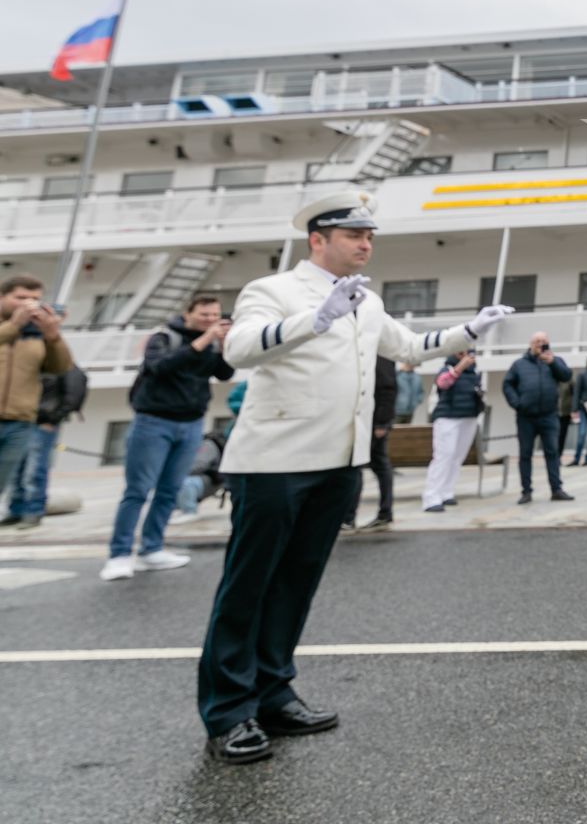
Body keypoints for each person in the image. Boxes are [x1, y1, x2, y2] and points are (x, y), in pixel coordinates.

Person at [199, 189, 513, 765]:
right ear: (317, 239)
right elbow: (240, 349)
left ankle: (273, 694)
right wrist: (311, 320)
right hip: (273, 463)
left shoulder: (365, 301)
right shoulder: (272, 290)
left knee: (296, 585)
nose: (365, 244)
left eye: (369, 235)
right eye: (353, 235)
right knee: (248, 588)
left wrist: (469, 331)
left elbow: (409, 349)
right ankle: (227, 712)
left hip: (338, 464)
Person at [101, 295, 234, 581]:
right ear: (187, 313)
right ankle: (119, 554)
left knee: (169, 489)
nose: (210, 320)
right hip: (153, 421)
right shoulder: (163, 337)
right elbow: (162, 367)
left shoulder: (211, 342)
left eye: (214, 315)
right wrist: (204, 339)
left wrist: (223, 344)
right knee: (137, 490)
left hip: (191, 423)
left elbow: (224, 374)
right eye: (204, 314)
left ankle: (152, 548)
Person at [0, 275, 73, 520]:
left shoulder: (36, 334)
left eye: (35, 299)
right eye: (21, 298)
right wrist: (14, 326)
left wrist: (52, 335)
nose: (28, 304)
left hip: (19, 421)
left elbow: (60, 367)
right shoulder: (11, 328)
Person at [3, 363, 86, 529]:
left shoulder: (62, 363)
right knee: (17, 469)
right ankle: (16, 511)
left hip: (43, 423)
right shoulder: (30, 361)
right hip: (23, 421)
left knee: (34, 470)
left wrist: (54, 418)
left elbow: (76, 389)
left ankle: (33, 512)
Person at [503, 331, 575, 506]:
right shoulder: (519, 364)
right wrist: (517, 403)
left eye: (543, 341)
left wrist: (551, 363)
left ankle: (556, 489)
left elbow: (566, 376)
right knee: (525, 454)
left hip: (549, 416)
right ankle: (526, 491)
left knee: (552, 453)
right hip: (526, 417)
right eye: (537, 341)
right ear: (530, 344)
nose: (540, 344)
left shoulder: (555, 361)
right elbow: (507, 384)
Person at [423, 349, 486, 512]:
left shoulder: (475, 373)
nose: (466, 355)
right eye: (461, 352)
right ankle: (431, 497)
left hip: (469, 417)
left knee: (457, 457)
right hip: (448, 418)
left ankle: (446, 492)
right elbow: (442, 383)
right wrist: (459, 368)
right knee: (444, 456)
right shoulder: (446, 369)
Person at [346, 357, 397, 532]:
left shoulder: (379, 355)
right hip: (367, 420)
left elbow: (387, 388)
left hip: (373, 422)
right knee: (377, 466)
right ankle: (383, 513)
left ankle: (349, 517)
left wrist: (382, 423)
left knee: (359, 466)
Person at [175, 428, 226, 517]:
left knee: (185, 483)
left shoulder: (207, 444)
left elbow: (200, 465)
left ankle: (189, 512)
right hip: (199, 478)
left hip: (209, 479)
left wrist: (178, 472)